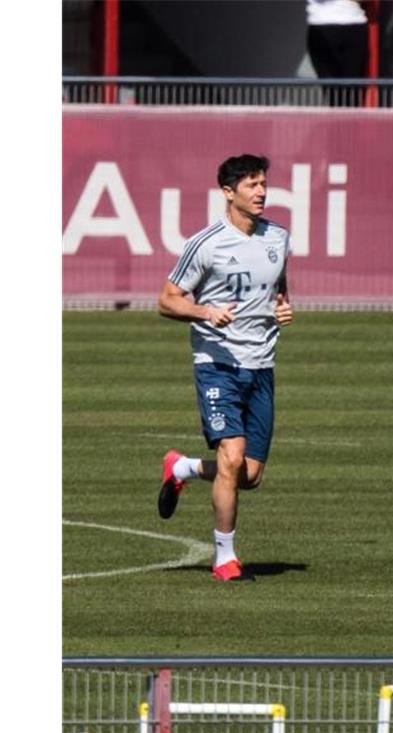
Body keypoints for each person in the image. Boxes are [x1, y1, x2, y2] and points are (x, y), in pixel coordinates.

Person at [157, 154, 293, 582]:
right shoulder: (206, 243)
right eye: (252, 185)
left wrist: (283, 306)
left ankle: (184, 468)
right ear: (228, 192)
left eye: (263, 184)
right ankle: (225, 559)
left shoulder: (278, 237)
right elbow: (167, 300)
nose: (262, 192)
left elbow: (277, 283)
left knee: (247, 475)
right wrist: (204, 312)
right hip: (217, 363)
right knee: (232, 458)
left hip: (262, 365)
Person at [306, 0, 369, 106]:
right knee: (333, 92)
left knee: (353, 93)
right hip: (322, 26)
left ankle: (350, 121)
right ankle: (340, 121)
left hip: (354, 25)